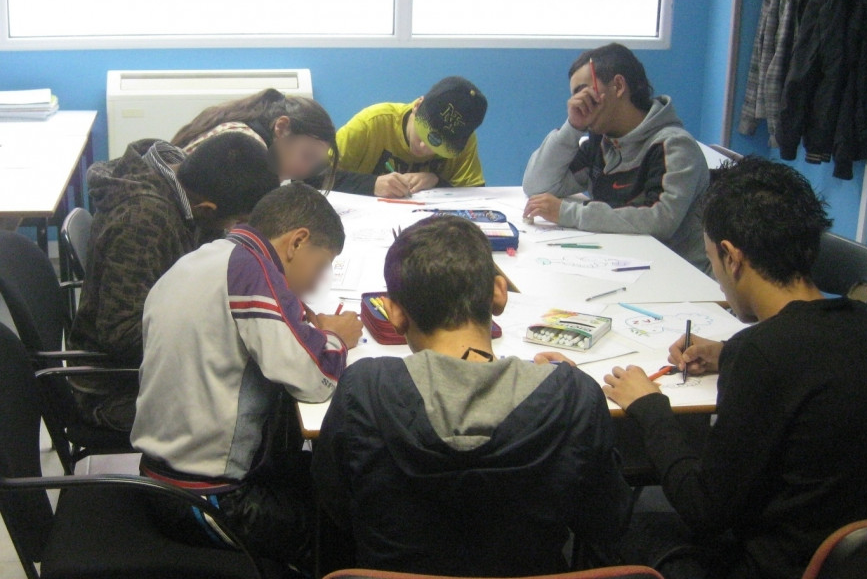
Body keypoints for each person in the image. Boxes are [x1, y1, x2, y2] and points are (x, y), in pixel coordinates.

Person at [602, 157, 867, 579]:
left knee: (617, 531)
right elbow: (811, 365)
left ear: (731, 256)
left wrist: (651, 408)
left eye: (712, 261)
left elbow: (704, 508)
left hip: (778, 564)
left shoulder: (761, 354)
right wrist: (725, 354)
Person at [312, 215, 631, 576]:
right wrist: (564, 387)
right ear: (498, 292)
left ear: (396, 313)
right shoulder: (573, 397)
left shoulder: (364, 390)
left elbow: (335, 508)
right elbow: (606, 522)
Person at [131, 183, 363, 572]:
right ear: (296, 242)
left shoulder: (210, 257)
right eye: (321, 265)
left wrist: (312, 332)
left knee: (335, 484)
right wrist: (338, 337)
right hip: (205, 499)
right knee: (339, 531)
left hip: (163, 472)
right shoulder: (251, 269)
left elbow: (279, 339)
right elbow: (313, 377)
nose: (319, 281)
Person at [68, 133, 279, 432]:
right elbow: (120, 334)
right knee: (263, 404)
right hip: (115, 386)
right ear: (207, 209)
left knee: (266, 378)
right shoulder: (141, 220)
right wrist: (221, 331)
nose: (235, 230)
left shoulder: (186, 179)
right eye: (236, 222)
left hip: (153, 365)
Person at [523, 43, 710, 272]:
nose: (576, 102)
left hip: (678, 276)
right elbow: (537, 186)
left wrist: (567, 213)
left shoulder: (673, 145)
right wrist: (572, 127)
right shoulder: (602, 143)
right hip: (622, 265)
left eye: (583, 91)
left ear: (618, 86)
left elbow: (660, 220)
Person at [334, 76, 488, 197]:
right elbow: (316, 177)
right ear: (417, 106)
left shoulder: (460, 141)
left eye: (439, 148)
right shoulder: (371, 124)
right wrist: (372, 184)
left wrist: (436, 181)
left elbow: (475, 195)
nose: (424, 148)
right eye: (423, 135)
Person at [171, 87, 340, 188]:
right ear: (281, 128)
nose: (305, 172)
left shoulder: (246, 124)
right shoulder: (247, 151)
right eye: (306, 156)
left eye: (315, 164)